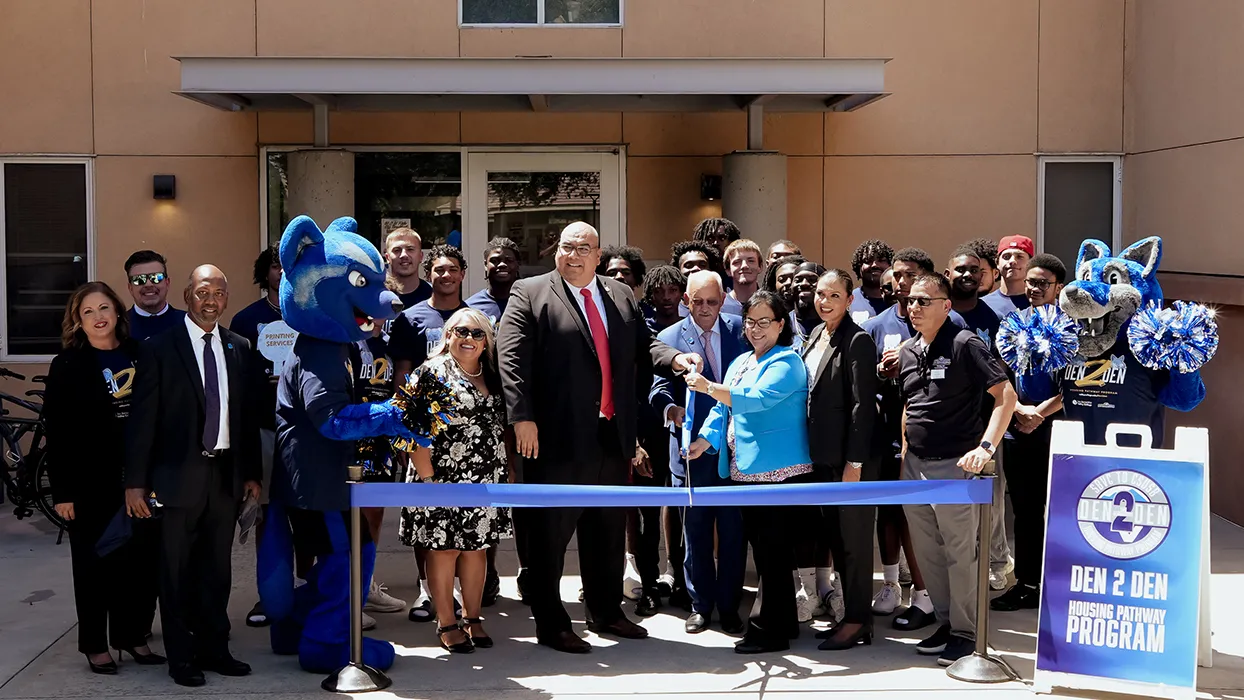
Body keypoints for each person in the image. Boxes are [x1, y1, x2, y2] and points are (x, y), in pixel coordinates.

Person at [496, 222, 698, 654]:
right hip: (554, 438)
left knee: (606, 530)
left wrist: (676, 357)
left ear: (598, 253)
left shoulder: (620, 294)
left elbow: (644, 346)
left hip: (612, 435)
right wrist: (521, 418)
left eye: (583, 248)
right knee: (549, 537)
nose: (573, 254)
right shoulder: (529, 292)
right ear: (556, 252)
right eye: (566, 247)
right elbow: (511, 359)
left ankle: (606, 612)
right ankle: (552, 624)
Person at [124, 265, 262, 687]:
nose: (211, 300)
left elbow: (245, 420)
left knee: (217, 570)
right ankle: (181, 657)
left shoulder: (239, 347)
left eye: (219, 293)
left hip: (223, 475)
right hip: (175, 477)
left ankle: (215, 649)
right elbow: (142, 421)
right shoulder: (158, 348)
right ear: (186, 295)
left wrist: (252, 475)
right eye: (203, 291)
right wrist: (135, 482)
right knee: (176, 571)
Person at [897, 272, 1016, 667]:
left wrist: (985, 447)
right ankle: (947, 624)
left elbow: (1006, 396)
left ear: (945, 306)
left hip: (956, 466)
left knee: (962, 553)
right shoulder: (909, 350)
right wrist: (905, 451)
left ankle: (967, 634)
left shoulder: (966, 343)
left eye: (924, 301)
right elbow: (911, 404)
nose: (914, 307)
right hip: (914, 467)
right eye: (911, 300)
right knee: (929, 551)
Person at [685, 290, 813, 654]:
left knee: (772, 554)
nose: (755, 329)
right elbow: (720, 411)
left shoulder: (786, 362)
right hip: (745, 475)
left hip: (779, 475)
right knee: (768, 554)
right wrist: (706, 442)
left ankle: (768, 630)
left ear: (780, 325)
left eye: (764, 322)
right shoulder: (741, 361)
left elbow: (755, 400)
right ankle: (783, 623)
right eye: (750, 322)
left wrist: (709, 386)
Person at [45, 282, 163, 675]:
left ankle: (131, 637)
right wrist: (62, 491)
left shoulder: (139, 354)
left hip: (139, 477)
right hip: (89, 482)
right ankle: (95, 644)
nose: (98, 317)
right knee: (94, 567)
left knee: (139, 566)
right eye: (88, 311)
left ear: (117, 311)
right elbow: (57, 431)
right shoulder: (67, 364)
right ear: (78, 321)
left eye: (104, 308)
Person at [399, 309, 513, 654]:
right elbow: (410, 426)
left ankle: (473, 617)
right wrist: (428, 478)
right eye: (461, 331)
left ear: (487, 342)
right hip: (438, 476)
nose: (469, 339)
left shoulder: (491, 374)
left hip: (483, 477)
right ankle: (446, 621)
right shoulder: (430, 372)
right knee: (444, 550)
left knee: (476, 549)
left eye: (478, 334)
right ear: (448, 335)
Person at [862, 247, 963, 631]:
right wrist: (880, 371)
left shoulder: (944, 326)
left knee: (920, 519)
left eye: (910, 276)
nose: (901, 283)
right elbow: (863, 377)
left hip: (931, 440)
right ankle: (890, 584)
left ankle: (924, 594)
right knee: (887, 513)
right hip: (886, 431)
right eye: (897, 276)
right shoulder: (877, 324)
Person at [651, 271, 747, 635]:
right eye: (697, 302)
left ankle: (729, 605)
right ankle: (700, 605)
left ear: (723, 301)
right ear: (685, 301)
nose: (704, 309)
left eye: (712, 301)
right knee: (695, 533)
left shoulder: (742, 330)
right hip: (689, 451)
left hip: (735, 451)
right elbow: (658, 389)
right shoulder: (669, 338)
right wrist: (672, 411)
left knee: (734, 532)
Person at [390, 243, 470, 620]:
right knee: (426, 509)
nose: (445, 276)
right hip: (426, 430)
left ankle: (460, 592)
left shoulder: (475, 316)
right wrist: (409, 425)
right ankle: (428, 590)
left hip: (468, 432)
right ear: (429, 274)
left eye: (452, 269)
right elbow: (402, 374)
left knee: (466, 513)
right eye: (438, 270)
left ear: (462, 275)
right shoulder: (411, 318)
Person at [800, 270, 878, 651]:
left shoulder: (858, 340)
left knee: (855, 544)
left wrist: (856, 463)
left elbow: (864, 408)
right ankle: (850, 614)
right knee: (836, 539)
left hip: (850, 462)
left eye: (834, 295)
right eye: (819, 293)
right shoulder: (816, 334)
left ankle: (859, 620)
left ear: (849, 300)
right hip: (822, 459)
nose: (824, 300)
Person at [991, 254, 1067, 613]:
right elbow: (1001, 373)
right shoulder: (1014, 322)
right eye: (1032, 282)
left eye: (1043, 283)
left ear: (1059, 288)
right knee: (1024, 509)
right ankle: (1027, 583)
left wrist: (1041, 411)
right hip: (1018, 426)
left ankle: (1060, 584)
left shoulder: (1073, 327)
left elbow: (1078, 383)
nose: (1035, 288)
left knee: (1060, 508)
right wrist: (1020, 410)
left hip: (1057, 427)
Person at [945, 246, 1013, 590]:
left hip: (986, 421)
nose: (968, 275)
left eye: (974, 270)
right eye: (960, 270)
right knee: (951, 495)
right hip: (948, 420)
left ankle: (995, 561)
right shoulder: (939, 314)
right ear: (948, 275)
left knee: (992, 495)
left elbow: (1005, 368)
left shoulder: (993, 318)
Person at [227, 246, 287, 628]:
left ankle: (303, 589)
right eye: (276, 265)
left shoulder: (314, 314)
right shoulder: (246, 320)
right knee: (266, 517)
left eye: (290, 265)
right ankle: (269, 595)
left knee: (307, 517)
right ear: (265, 272)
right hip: (264, 429)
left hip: (305, 433)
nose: (283, 272)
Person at [124, 250, 186, 339]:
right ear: (130, 287)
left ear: (167, 282)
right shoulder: (118, 327)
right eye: (139, 279)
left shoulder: (188, 323)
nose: (148, 284)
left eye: (156, 277)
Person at [467, 237, 521, 325]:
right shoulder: (471, 308)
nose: (502, 265)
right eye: (495, 261)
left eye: (509, 260)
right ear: (485, 265)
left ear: (518, 264)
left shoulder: (529, 303)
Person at [983, 235, 1034, 319]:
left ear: (1031, 263)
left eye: (1019, 257)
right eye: (1006, 257)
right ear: (997, 263)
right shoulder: (983, 304)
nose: (1012, 261)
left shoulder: (1039, 303)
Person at [384, 227, 433, 309]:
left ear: (421, 256)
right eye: (397, 250)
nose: (404, 255)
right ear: (387, 257)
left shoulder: (434, 295)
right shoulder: (377, 295)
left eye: (410, 249)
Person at [849, 240, 894, 323]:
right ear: (858, 267)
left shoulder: (899, 301)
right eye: (867, 261)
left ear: (890, 265)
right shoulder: (848, 301)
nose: (874, 265)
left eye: (881, 260)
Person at [722, 239, 764, 316]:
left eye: (751, 261)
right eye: (737, 262)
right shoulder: (720, 307)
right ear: (728, 270)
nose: (744, 266)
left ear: (760, 267)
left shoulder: (771, 305)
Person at [641, 265, 687, 331]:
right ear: (651, 295)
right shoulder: (643, 330)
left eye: (673, 290)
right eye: (658, 291)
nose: (666, 297)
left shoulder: (691, 327)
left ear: (682, 293)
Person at [790, 260, 827, 339]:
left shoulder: (838, 325)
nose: (804, 283)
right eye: (798, 280)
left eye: (812, 279)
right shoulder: (782, 324)